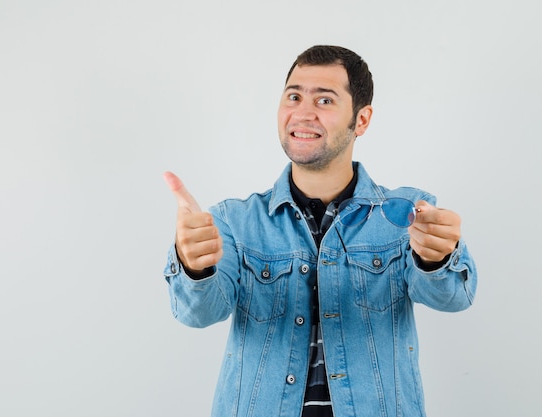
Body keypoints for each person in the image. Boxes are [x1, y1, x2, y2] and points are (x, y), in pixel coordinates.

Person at [162, 45, 478, 417]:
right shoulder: (234, 220)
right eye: (293, 96)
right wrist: (194, 266)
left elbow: (452, 297)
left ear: (361, 120)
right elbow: (198, 313)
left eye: (325, 100)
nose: (303, 112)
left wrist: (436, 258)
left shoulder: (407, 214)